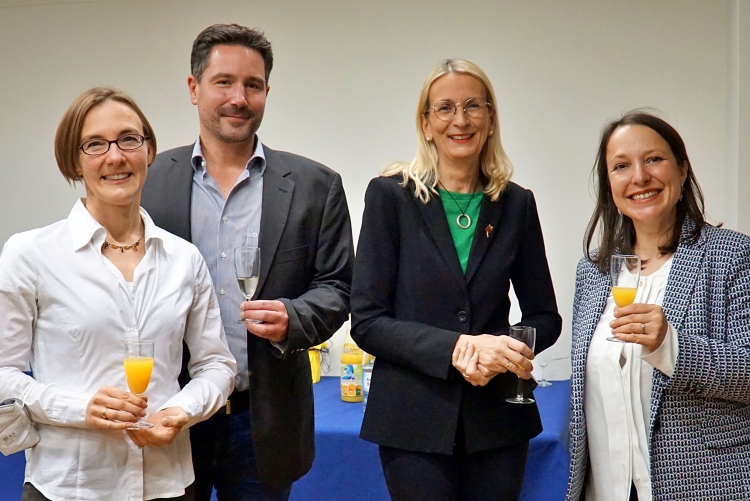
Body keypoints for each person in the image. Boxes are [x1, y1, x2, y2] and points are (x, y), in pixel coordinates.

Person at [140, 24, 354, 500]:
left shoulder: (316, 186)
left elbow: (338, 287)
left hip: (264, 419)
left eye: (253, 85)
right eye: (224, 82)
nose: (239, 97)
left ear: (266, 92)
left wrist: (293, 317)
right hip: (169, 414)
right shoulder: (147, 183)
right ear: (194, 88)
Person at [0, 87, 236, 501]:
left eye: (129, 139)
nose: (115, 156)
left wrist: (180, 411)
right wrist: (80, 410)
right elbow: (3, 374)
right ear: (74, 160)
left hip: (168, 484)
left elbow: (216, 364)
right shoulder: (31, 254)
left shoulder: (184, 259)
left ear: (148, 151)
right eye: (95, 144)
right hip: (68, 487)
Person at [350, 58, 562, 501]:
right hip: (412, 419)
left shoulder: (516, 204)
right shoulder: (390, 196)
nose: (459, 120)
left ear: (490, 119)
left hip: (499, 418)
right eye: (444, 108)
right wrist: (461, 348)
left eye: (472, 106)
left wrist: (506, 350)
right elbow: (368, 321)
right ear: (426, 124)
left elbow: (545, 315)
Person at [566, 111, 750, 501]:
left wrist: (672, 346)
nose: (639, 177)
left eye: (653, 159)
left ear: (682, 171)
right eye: (621, 166)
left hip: (704, 487)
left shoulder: (733, 256)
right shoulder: (592, 271)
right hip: (607, 489)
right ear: (609, 185)